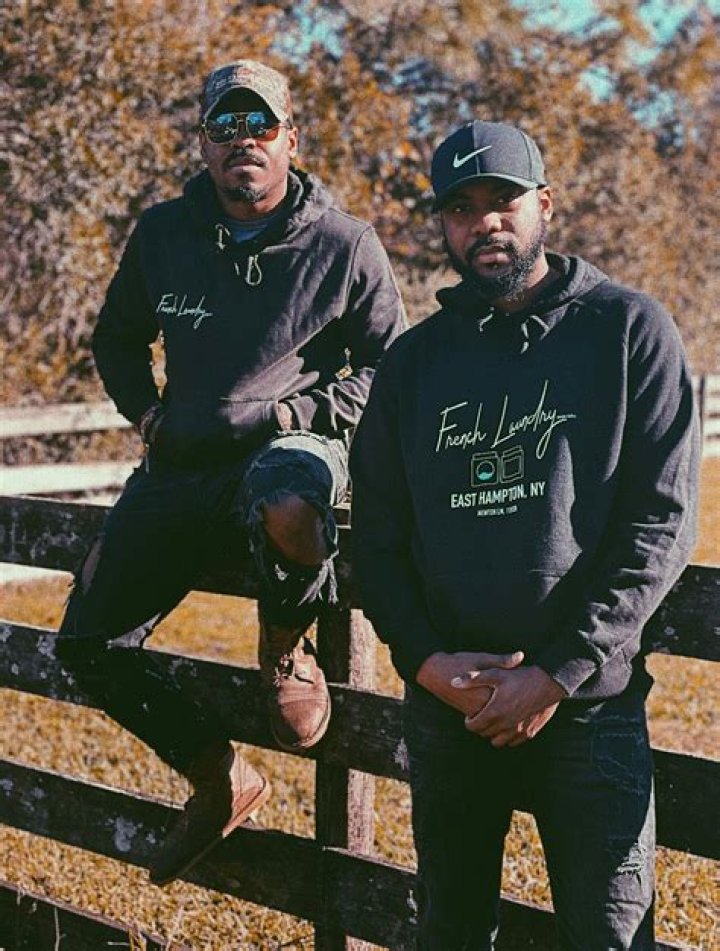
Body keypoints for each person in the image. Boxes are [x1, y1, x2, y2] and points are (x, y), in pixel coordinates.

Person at [349, 119, 700, 950]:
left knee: (609, 935)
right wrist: (425, 662)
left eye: (502, 200)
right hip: (452, 709)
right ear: (444, 225)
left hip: (587, 709)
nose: (485, 223)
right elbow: (376, 537)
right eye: (461, 208)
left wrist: (556, 672)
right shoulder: (414, 364)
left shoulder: (628, 331)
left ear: (545, 203)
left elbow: (661, 522)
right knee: (451, 929)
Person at [55, 59, 405, 887]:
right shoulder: (163, 234)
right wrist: (149, 417)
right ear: (204, 143)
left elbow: (388, 366)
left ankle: (285, 644)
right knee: (87, 644)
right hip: (182, 460)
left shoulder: (344, 243)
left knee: (288, 499)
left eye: (260, 124)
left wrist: (292, 414)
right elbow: (116, 339)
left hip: (292, 443)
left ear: (291, 139)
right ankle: (219, 775)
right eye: (225, 125)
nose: (243, 140)